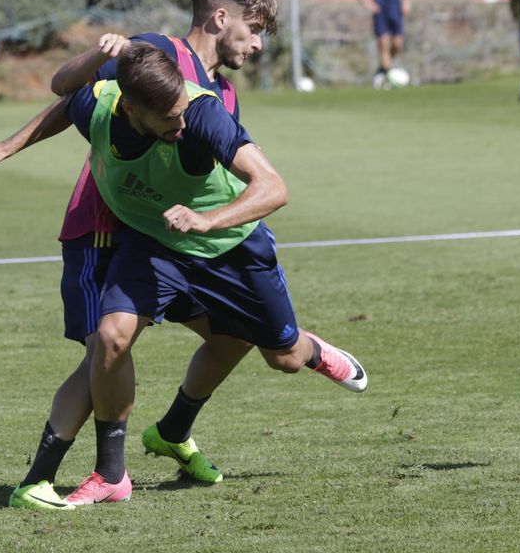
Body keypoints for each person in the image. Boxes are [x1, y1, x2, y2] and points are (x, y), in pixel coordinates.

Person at [0, 0, 279, 510]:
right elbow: (73, 94)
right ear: (221, 18)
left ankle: (173, 432)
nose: (259, 43)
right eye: (255, 28)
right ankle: (63, 476)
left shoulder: (221, 93)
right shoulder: (155, 52)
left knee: (234, 332)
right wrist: (8, 146)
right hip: (105, 229)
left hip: (165, 243)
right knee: (105, 348)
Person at [51, 42, 369, 506]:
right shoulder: (104, 103)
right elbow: (62, 92)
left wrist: (207, 220)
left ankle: (311, 349)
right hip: (155, 241)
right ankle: (111, 475)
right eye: (169, 118)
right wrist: (6, 146)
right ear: (134, 109)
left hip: (230, 247)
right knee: (111, 336)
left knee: (283, 358)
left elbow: (275, 188)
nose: (181, 125)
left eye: (182, 112)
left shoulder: (202, 113)